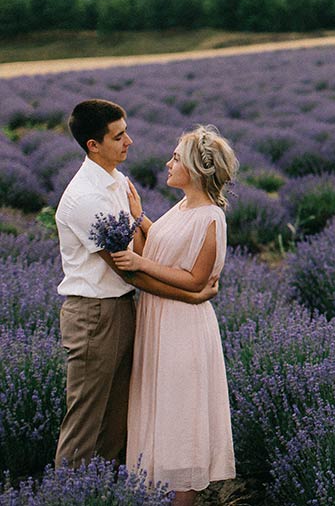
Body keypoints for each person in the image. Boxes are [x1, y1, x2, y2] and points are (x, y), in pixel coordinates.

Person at [54, 99, 218, 470]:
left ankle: (103, 494)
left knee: (115, 423)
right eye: (118, 136)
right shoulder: (85, 198)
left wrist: (141, 218)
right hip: (96, 315)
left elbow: (140, 252)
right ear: (92, 145)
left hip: (122, 308)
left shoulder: (116, 181)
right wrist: (193, 294)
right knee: (85, 425)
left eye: (126, 131)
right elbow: (128, 271)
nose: (129, 141)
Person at [110, 124, 238, 506]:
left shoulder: (211, 217)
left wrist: (139, 265)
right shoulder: (183, 206)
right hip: (160, 320)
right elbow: (165, 244)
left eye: (176, 159)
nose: (168, 163)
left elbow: (197, 279)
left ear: (197, 170)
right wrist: (139, 218)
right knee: (160, 410)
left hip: (183, 327)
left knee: (181, 417)